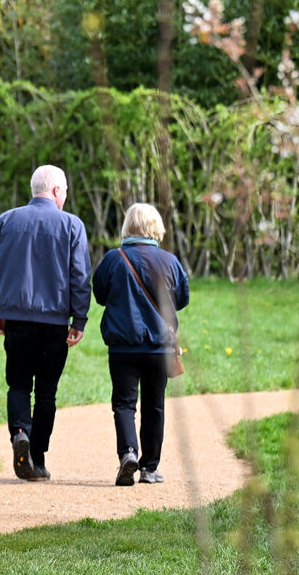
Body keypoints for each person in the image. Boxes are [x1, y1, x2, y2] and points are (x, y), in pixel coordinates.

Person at [0, 164, 91, 481]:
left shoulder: (6, 221)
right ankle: (38, 459)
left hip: (15, 318)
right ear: (56, 190)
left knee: (17, 384)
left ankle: (20, 433)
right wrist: (79, 318)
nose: (66, 197)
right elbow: (80, 278)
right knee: (46, 392)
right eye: (65, 191)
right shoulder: (72, 226)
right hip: (55, 321)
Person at [92, 202, 190, 486]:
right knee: (154, 405)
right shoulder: (170, 261)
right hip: (159, 347)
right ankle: (149, 468)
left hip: (123, 345)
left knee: (124, 403)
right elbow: (182, 299)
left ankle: (128, 453)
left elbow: (99, 294)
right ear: (155, 227)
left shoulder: (113, 259)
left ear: (128, 227)